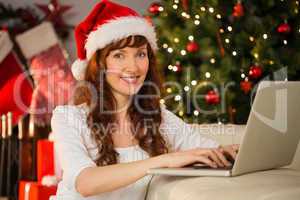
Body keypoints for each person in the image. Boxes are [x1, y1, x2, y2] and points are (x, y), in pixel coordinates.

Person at [50, 1, 239, 199]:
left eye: (140, 54)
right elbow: (85, 183)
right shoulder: (68, 117)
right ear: (99, 65)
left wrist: (231, 153)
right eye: (119, 55)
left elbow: (205, 150)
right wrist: (163, 160)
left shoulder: (160, 118)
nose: (133, 67)